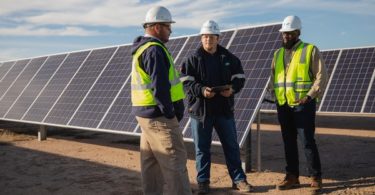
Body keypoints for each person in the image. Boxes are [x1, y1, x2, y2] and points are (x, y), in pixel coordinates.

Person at [180, 20, 252, 194]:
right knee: (202, 149)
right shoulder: (192, 59)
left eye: (211, 37)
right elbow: (185, 83)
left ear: (218, 38)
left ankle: (239, 179)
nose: (208, 40)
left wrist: (232, 89)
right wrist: (201, 90)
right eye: (205, 37)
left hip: (223, 110)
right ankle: (203, 182)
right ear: (201, 38)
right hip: (201, 112)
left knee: (231, 146)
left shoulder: (229, 58)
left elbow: (240, 77)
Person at [130, 6, 192, 195]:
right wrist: (170, 113)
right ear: (157, 27)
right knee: (175, 163)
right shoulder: (154, 50)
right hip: (159, 118)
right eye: (167, 26)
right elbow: (160, 88)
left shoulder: (143, 49)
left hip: (146, 116)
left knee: (151, 164)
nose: (170, 30)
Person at [268, 15, 328, 192]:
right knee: (288, 142)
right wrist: (274, 95)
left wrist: (309, 96)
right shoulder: (277, 54)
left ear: (298, 33)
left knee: (307, 141)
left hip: (303, 104)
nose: (286, 36)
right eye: (284, 33)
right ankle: (292, 176)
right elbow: (273, 78)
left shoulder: (310, 50)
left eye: (290, 33)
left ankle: (315, 177)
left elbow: (321, 75)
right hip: (284, 104)